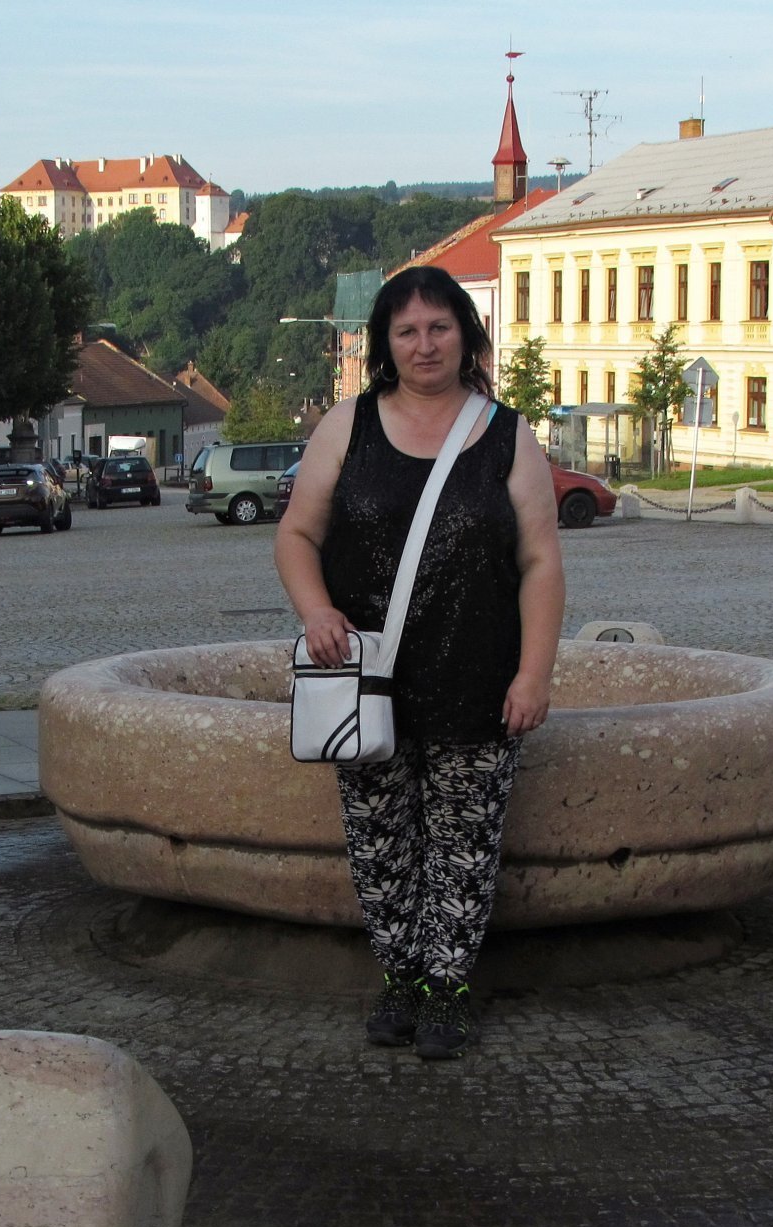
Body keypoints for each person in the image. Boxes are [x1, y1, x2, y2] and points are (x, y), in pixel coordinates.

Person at [274, 265, 565, 1059]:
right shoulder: (348, 426)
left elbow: (540, 561)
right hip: (366, 681)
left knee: (463, 847)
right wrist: (317, 610)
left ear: (465, 335)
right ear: (384, 345)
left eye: (439, 327)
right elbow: (296, 534)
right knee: (378, 844)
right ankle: (400, 978)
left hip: (477, 675)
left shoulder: (506, 435)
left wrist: (532, 673)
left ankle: (447, 990)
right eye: (406, 330)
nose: (424, 343)